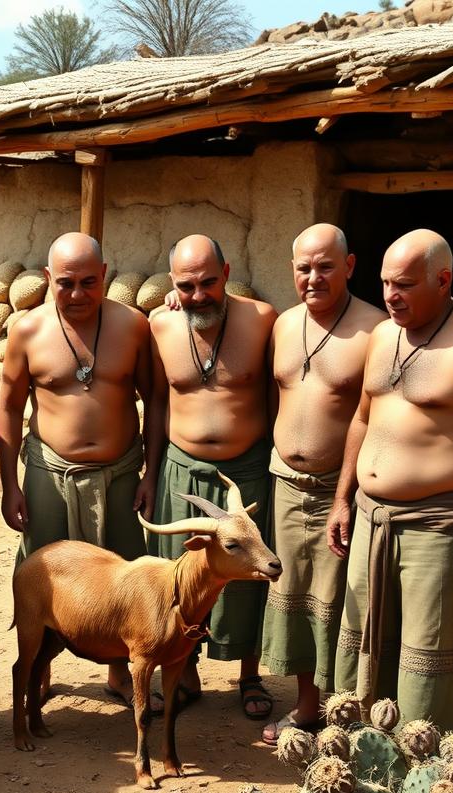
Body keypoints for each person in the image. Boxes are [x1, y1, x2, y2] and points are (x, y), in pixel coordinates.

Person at [326, 229, 453, 733]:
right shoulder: (382, 335)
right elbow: (362, 419)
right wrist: (342, 499)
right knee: (367, 639)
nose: (391, 295)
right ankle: (364, 754)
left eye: (405, 285)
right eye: (385, 283)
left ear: (443, 280)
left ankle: (436, 766)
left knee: (429, 651)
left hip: (438, 525)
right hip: (372, 519)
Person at [0, 232, 160, 711]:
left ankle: (119, 673)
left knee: (126, 574)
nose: (78, 293)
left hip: (122, 472)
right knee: (43, 572)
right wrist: (10, 485)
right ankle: (39, 668)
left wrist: (149, 474)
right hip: (50, 472)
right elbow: (7, 408)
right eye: (65, 283)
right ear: (48, 279)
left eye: (89, 282)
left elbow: (156, 400)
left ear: (105, 276)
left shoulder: (133, 326)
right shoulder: (27, 330)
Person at [260, 225, 385, 747]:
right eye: (303, 268)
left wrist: (348, 494)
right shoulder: (283, 324)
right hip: (285, 484)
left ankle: (349, 713)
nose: (313, 277)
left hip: (344, 491)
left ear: (350, 266)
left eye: (325, 267)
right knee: (295, 596)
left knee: (344, 601)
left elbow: (379, 416)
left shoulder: (376, 330)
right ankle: (308, 707)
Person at [147, 235, 277, 718]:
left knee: (249, 572)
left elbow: (275, 392)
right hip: (181, 471)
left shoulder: (263, 320)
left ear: (226, 273)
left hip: (246, 470)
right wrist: (151, 470)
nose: (198, 294)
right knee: (181, 579)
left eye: (207, 282)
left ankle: (249, 675)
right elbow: (158, 401)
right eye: (186, 285)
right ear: (171, 284)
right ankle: (184, 673)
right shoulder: (159, 324)